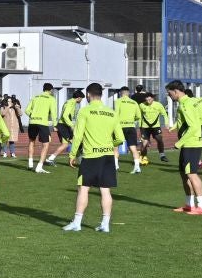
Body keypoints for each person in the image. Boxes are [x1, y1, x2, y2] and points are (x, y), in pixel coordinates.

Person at [62, 82, 121, 234]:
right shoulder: (112, 112)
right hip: (108, 155)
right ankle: (105, 224)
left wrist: (72, 154)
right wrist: (108, 145)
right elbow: (120, 138)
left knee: (83, 188)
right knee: (105, 190)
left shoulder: (85, 111)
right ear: (101, 94)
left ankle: (77, 222)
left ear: (88, 94)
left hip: (91, 156)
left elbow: (78, 135)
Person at [167, 80, 202, 215]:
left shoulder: (187, 104)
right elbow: (184, 123)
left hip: (191, 144)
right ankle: (189, 205)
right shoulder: (184, 103)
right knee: (184, 174)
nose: (170, 96)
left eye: (170, 93)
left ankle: (201, 207)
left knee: (191, 174)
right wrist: (174, 128)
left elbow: (194, 127)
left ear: (176, 91)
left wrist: (179, 143)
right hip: (187, 144)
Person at [25, 84, 58, 172]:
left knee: (31, 141)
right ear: (51, 90)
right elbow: (54, 113)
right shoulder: (51, 99)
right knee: (46, 144)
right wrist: (55, 124)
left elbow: (27, 110)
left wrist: (33, 116)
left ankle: (30, 163)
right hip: (42, 123)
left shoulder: (35, 97)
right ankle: (39, 167)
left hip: (32, 122)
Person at [111, 86, 144, 175]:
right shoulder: (134, 103)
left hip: (119, 126)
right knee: (133, 148)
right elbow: (138, 116)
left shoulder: (118, 101)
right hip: (131, 126)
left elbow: (115, 114)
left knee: (115, 147)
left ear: (121, 93)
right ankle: (137, 167)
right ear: (128, 93)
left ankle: (116, 166)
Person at [138, 90, 169, 162]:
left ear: (153, 98)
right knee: (144, 143)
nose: (148, 101)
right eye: (146, 99)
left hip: (155, 126)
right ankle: (143, 157)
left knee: (159, 139)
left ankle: (162, 155)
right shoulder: (141, 105)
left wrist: (166, 123)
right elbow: (139, 117)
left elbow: (164, 114)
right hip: (145, 127)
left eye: (149, 99)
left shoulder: (158, 105)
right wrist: (140, 127)